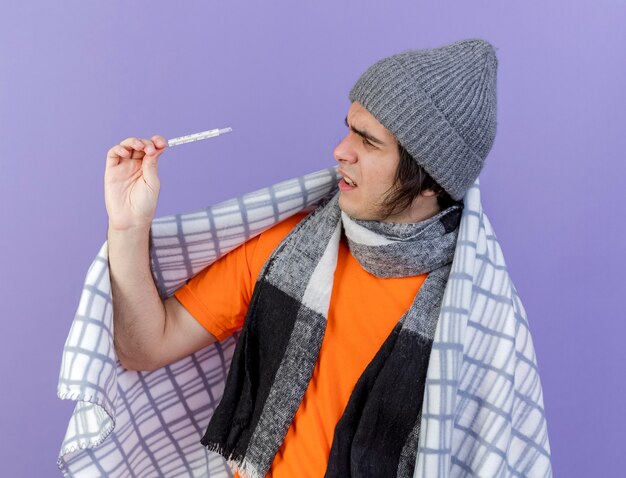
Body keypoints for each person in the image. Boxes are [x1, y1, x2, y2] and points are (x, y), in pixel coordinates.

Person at [104, 39, 542, 477]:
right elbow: (144, 347)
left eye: (368, 142)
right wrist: (127, 226)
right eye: (349, 128)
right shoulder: (289, 249)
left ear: (429, 179)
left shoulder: (471, 325)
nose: (341, 150)